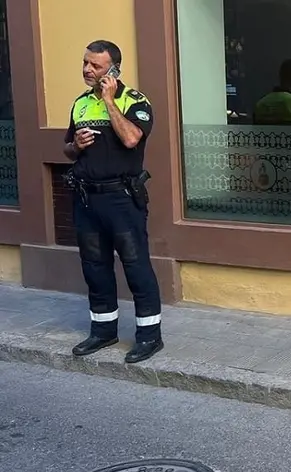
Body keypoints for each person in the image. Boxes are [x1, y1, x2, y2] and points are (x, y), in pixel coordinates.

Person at [62, 40, 164, 364]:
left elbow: (132, 138)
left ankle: (149, 336)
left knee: (136, 266)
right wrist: (75, 146)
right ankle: (103, 330)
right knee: (95, 267)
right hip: (86, 199)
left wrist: (109, 100)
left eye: (95, 65)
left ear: (114, 69)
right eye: (85, 63)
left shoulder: (135, 101)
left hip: (122, 199)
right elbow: (66, 149)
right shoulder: (79, 104)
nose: (87, 70)